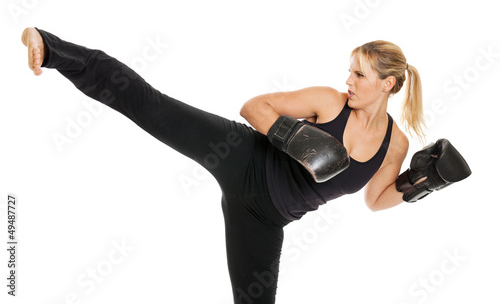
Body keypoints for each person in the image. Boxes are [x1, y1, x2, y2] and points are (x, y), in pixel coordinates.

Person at [21, 27, 470, 303]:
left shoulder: (395, 144)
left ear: (387, 84)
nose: (348, 80)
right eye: (349, 70)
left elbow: (377, 199)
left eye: (359, 75)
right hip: (241, 156)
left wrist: (420, 184)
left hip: (264, 218)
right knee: (150, 106)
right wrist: (303, 142)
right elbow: (254, 107)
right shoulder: (329, 102)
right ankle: (53, 48)